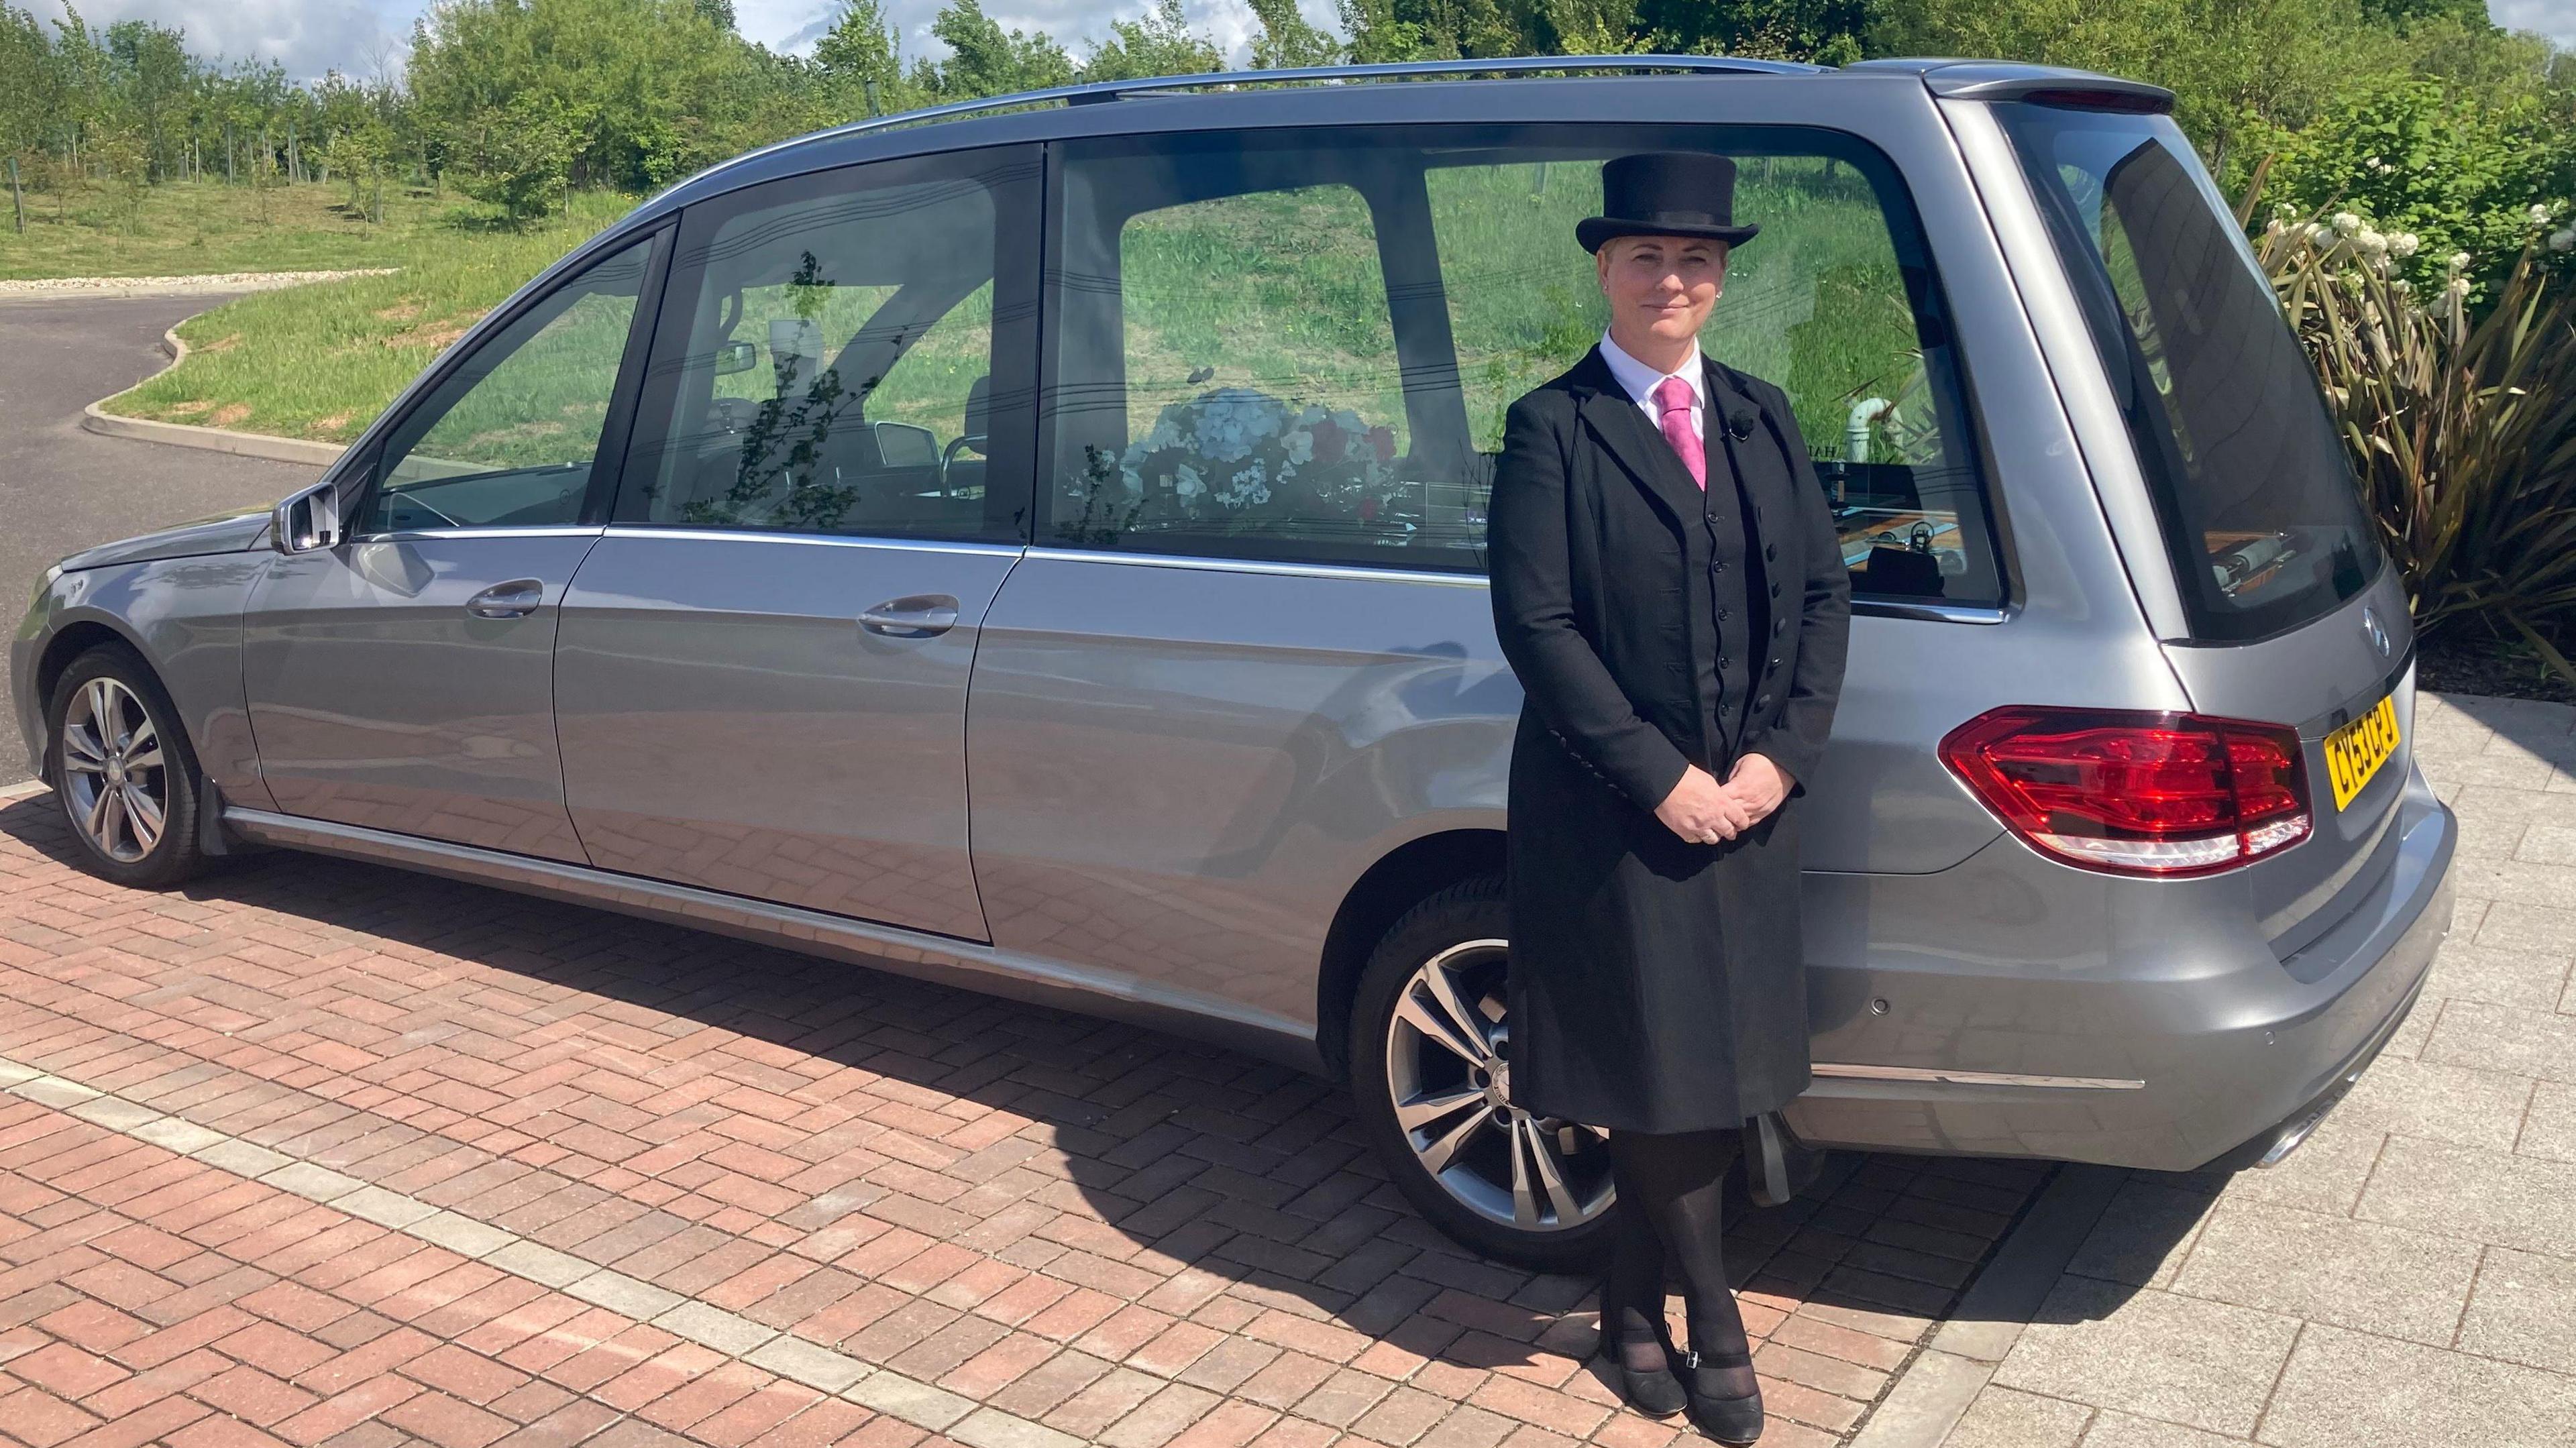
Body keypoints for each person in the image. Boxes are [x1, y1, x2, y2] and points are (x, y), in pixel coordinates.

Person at [1484, 152, 1853, 1445]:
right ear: (1604, 269)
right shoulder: (1553, 427)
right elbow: (1537, 627)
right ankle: (1718, 1321)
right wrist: (1666, 782)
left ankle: (1629, 1310)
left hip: (1750, 800)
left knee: (1705, 1065)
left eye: (1697, 259)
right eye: (1648, 257)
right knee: (1667, 1075)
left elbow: (1819, 597)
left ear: (1722, 276)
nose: (1674, 279)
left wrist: (1777, 761)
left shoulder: (1763, 412)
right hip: (1614, 811)